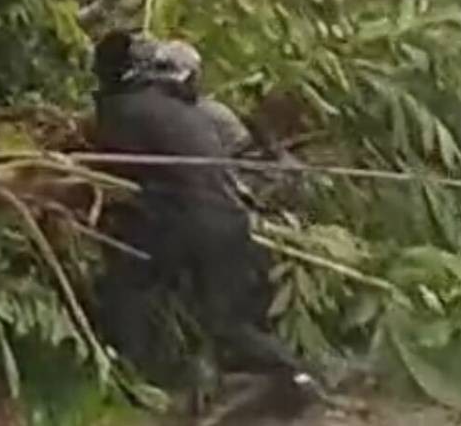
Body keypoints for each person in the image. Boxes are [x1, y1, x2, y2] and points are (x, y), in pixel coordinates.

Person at [88, 31, 315, 403]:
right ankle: (259, 376)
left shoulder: (123, 109)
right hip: (226, 219)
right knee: (219, 317)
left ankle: (136, 379)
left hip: (189, 221)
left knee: (129, 285)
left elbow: (119, 168)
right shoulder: (178, 107)